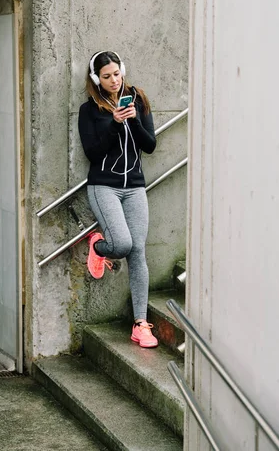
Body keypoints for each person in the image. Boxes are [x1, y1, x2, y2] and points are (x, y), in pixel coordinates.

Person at [78, 51, 158, 348]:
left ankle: (140, 324)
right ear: (97, 79)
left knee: (137, 251)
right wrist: (113, 123)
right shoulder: (90, 110)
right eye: (107, 76)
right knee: (122, 245)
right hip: (104, 187)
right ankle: (98, 245)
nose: (114, 80)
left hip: (135, 186)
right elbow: (93, 153)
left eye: (117, 74)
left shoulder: (138, 100)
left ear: (123, 71)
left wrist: (134, 121)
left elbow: (150, 145)